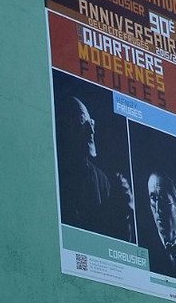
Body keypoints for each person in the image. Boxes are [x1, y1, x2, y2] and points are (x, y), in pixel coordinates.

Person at [56, 90, 135, 242]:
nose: (91, 131)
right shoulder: (58, 172)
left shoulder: (101, 179)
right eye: (82, 121)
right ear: (65, 126)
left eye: (91, 123)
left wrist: (123, 211)